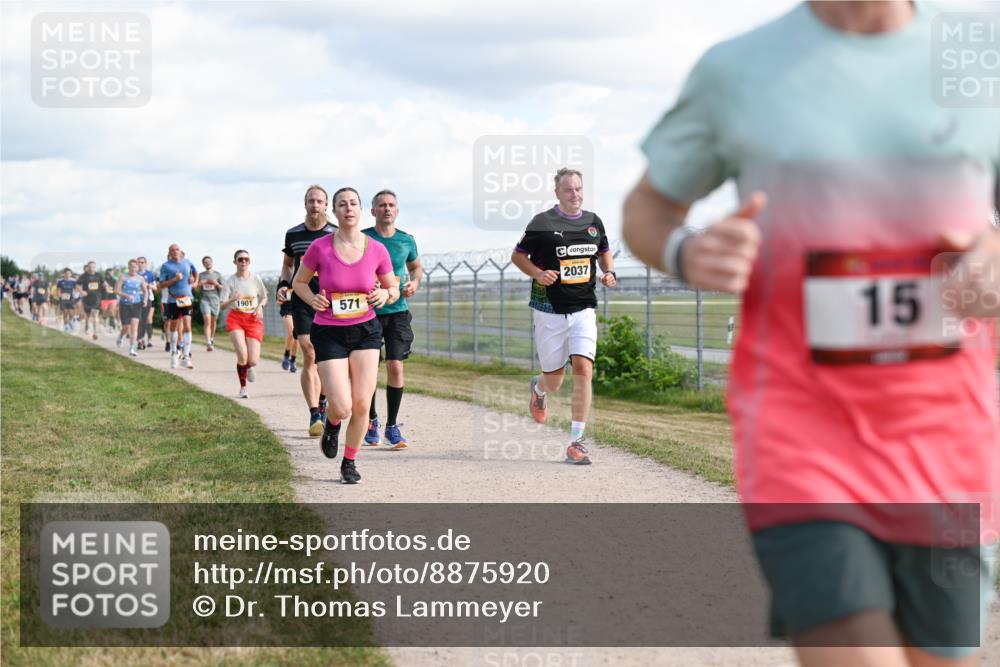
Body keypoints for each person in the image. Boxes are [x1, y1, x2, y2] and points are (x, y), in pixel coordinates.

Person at [621, 2, 1000, 664]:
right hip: (802, 438)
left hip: (950, 445)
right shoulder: (738, 69)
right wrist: (686, 251)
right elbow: (647, 207)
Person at [292, 186, 398, 484]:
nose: (348, 208)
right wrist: (312, 299)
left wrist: (385, 294)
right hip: (329, 332)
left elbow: (393, 288)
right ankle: (332, 422)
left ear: (361, 209)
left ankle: (349, 461)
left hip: (366, 329)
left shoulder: (377, 249)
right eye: (342, 204)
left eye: (353, 203)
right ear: (334, 211)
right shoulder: (320, 247)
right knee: (342, 405)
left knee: (363, 403)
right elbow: (299, 282)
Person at [512, 168, 616, 465]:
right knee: (554, 380)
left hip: (584, 307)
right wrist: (538, 273)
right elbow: (518, 256)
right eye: (569, 190)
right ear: (557, 193)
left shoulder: (593, 222)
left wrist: (609, 272)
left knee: (584, 368)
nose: (576, 194)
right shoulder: (542, 223)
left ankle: (577, 442)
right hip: (548, 310)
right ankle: (538, 389)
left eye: (579, 189)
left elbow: (604, 251)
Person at [362, 189, 423, 449]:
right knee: (369, 369)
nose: (387, 209)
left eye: (391, 205)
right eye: (382, 205)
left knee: (395, 366)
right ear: (373, 211)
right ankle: (371, 420)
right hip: (368, 312)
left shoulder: (406, 240)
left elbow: (415, 267)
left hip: (397, 309)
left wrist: (415, 283)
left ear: (396, 211)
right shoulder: (364, 239)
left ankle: (392, 426)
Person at [280, 185, 337, 436]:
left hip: (329, 297)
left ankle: (324, 399)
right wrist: (283, 285)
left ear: (326, 206)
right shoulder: (293, 234)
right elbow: (287, 265)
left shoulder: (336, 233)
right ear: (305, 204)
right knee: (308, 349)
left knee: (326, 355)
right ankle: (314, 411)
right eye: (311, 201)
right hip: (302, 295)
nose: (315, 205)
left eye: (320, 201)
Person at [219, 250, 268, 398]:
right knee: (242, 355)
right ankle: (243, 388)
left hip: (253, 319)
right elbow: (222, 306)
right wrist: (232, 299)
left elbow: (264, 297)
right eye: (240, 259)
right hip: (236, 318)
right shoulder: (231, 281)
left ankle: (248, 366)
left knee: (252, 360)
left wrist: (260, 307)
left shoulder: (256, 279)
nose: (244, 262)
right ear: (235, 262)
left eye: (246, 259)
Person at [158, 244, 199, 369]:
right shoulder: (166, 266)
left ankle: (186, 357)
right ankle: (174, 352)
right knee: (174, 327)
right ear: (169, 252)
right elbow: (162, 285)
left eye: (177, 249)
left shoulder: (187, 262)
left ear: (180, 251)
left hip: (187, 299)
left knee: (187, 324)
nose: (175, 251)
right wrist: (174, 279)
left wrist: (195, 280)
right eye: (172, 250)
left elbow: (196, 272)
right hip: (173, 300)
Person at [115, 259, 148, 356]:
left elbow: (145, 291)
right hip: (124, 305)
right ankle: (120, 336)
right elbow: (116, 291)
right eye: (131, 266)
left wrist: (145, 300)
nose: (133, 269)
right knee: (125, 327)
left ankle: (132, 349)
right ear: (128, 267)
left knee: (134, 327)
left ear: (137, 267)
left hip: (136, 304)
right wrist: (126, 295)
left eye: (135, 267)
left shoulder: (141, 278)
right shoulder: (123, 277)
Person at [198, 256, 223, 351]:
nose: (207, 263)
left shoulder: (217, 274)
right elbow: (196, 288)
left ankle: (212, 338)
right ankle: (208, 343)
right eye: (205, 262)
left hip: (215, 300)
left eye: (209, 262)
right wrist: (201, 283)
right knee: (207, 320)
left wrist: (216, 283)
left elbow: (223, 288)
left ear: (212, 263)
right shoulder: (201, 275)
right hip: (205, 300)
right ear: (203, 264)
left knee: (213, 321)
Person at [78, 261, 103, 340]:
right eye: (90, 267)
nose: (91, 269)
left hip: (96, 297)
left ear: (95, 267)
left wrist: (106, 286)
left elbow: (103, 283)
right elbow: (77, 285)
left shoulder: (99, 275)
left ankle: (95, 333)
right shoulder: (83, 276)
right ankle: (87, 325)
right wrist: (81, 291)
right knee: (88, 315)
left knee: (95, 313)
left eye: (93, 267)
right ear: (87, 267)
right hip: (87, 298)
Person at [136, 257, 157, 350]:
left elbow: (155, 287)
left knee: (148, 319)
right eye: (139, 262)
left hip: (149, 299)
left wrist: (148, 285)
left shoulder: (150, 274)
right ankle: (140, 340)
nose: (140, 264)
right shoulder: (134, 274)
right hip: (137, 300)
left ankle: (150, 339)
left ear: (145, 263)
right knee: (138, 320)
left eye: (142, 262)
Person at [280, 297, 298, 373]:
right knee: (291, 333)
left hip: (300, 310)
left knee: (297, 336)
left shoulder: (303, 284)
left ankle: (293, 360)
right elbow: (278, 301)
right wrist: (281, 298)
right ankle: (287, 355)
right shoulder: (283, 285)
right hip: (287, 310)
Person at [100, 268, 118, 335]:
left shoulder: (115, 281)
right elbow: (99, 289)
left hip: (112, 298)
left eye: (112, 273)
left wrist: (115, 290)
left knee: (111, 312)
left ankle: (112, 327)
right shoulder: (102, 281)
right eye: (109, 272)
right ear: (106, 273)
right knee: (105, 313)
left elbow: (117, 289)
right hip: (104, 298)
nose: (111, 274)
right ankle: (104, 320)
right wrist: (103, 286)